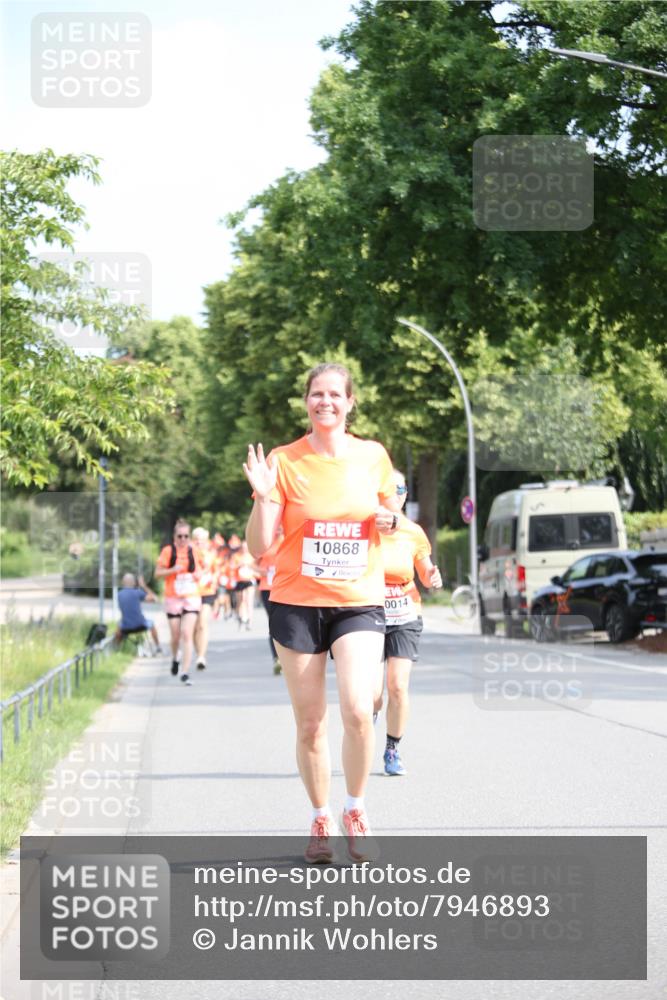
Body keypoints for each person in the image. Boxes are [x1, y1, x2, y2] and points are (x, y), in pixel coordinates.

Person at [243, 362, 401, 864]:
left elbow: (393, 516)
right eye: (316, 394)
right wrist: (264, 494)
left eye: (335, 394)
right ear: (306, 402)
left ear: (350, 402)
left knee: (358, 709)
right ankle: (320, 817)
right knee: (311, 724)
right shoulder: (284, 462)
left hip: (357, 599)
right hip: (295, 601)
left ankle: (356, 809)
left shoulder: (373, 456)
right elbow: (257, 547)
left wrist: (392, 518)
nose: (325, 401)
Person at [374, 469, 443, 775]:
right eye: (389, 487)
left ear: (404, 494)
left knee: (398, 686)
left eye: (400, 488)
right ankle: (364, 728)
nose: (395, 493)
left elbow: (425, 571)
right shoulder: (364, 526)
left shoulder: (413, 531)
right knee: (371, 694)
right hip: (368, 610)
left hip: (404, 610)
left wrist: (432, 576)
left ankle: (392, 749)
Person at [154, 519, 204, 686]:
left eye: (186, 536)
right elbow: (157, 574)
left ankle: (185, 671)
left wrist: (198, 575)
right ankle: (175, 657)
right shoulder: (168, 551)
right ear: (174, 537)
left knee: (186, 633)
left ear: (189, 537)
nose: (183, 539)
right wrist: (171, 570)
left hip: (191, 596)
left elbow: (203, 569)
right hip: (173, 597)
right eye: (179, 536)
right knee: (175, 636)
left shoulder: (195, 551)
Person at [257, 527, 284, 674]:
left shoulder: (289, 540)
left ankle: (286, 659)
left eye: (281, 526)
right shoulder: (265, 543)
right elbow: (254, 565)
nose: (279, 530)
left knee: (285, 623)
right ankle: (277, 659)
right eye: (276, 527)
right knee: (273, 623)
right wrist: (266, 570)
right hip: (267, 587)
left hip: (286, 588)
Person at [192, 526, 218, 670]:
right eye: (196, 540)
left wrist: (212, 578)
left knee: (202, 623)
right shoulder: (188, 555)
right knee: (194, 627)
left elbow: (215, 572)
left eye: (201, 540)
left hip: (207, 591)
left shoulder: (211, 554)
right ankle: (198, 652)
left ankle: (201, 657)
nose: (199, 542)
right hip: (191, 593)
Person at [114, 572, 162, 651]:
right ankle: (158, 647)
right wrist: (143, 586)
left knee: (118, 625)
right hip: (140, 625)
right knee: (152, 624)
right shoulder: (137, 592)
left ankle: (116, 649)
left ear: (123, 582)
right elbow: (155, 599)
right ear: (133, 582)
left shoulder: (119, 594)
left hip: (125, 627)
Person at [230, 540, 260, 630]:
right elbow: (231, 567)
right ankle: (241, 617)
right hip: (239, 581)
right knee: (241, 601)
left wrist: (249, 566)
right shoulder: (236, 556)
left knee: (248, 600)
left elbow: (257, 568)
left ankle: (249, 621)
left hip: (249, 580)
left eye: (246, 547)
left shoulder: (252, 557)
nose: (244, 549)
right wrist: (239, 565)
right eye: (242, 547)